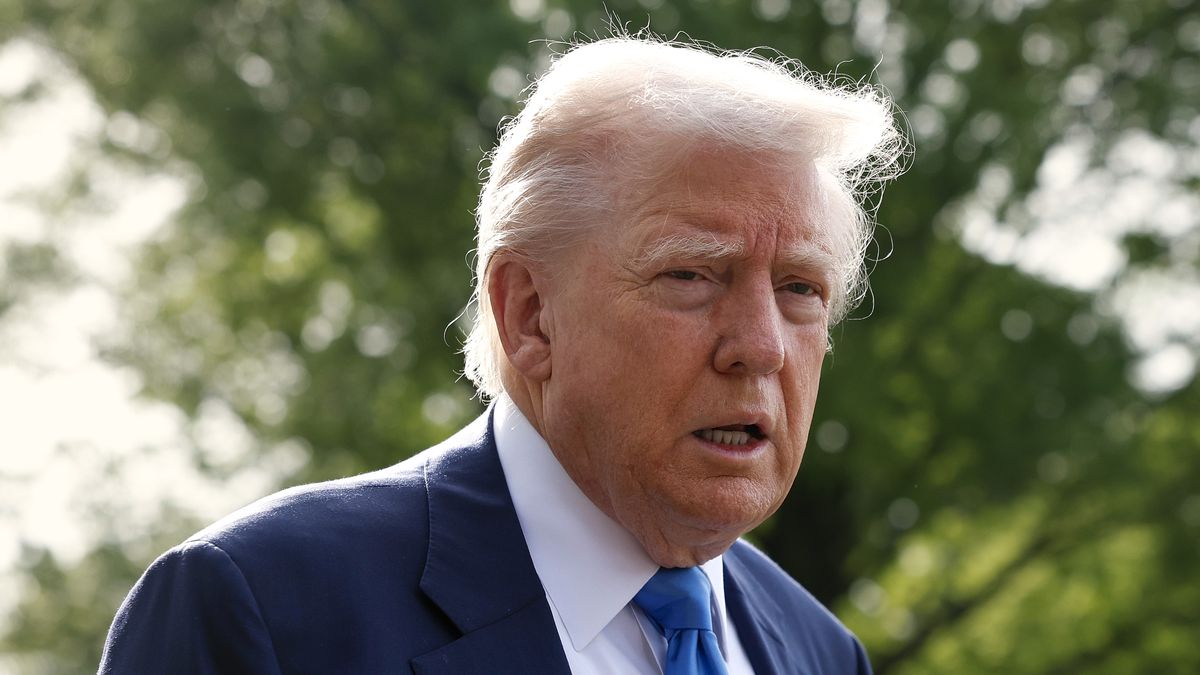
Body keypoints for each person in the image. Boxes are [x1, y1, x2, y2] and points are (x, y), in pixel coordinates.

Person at [99, 34, 905, 674]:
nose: (761, 346)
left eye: (801, 288)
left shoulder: (821, 651)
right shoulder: (265, 610)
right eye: (692, 273)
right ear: (529, 314)